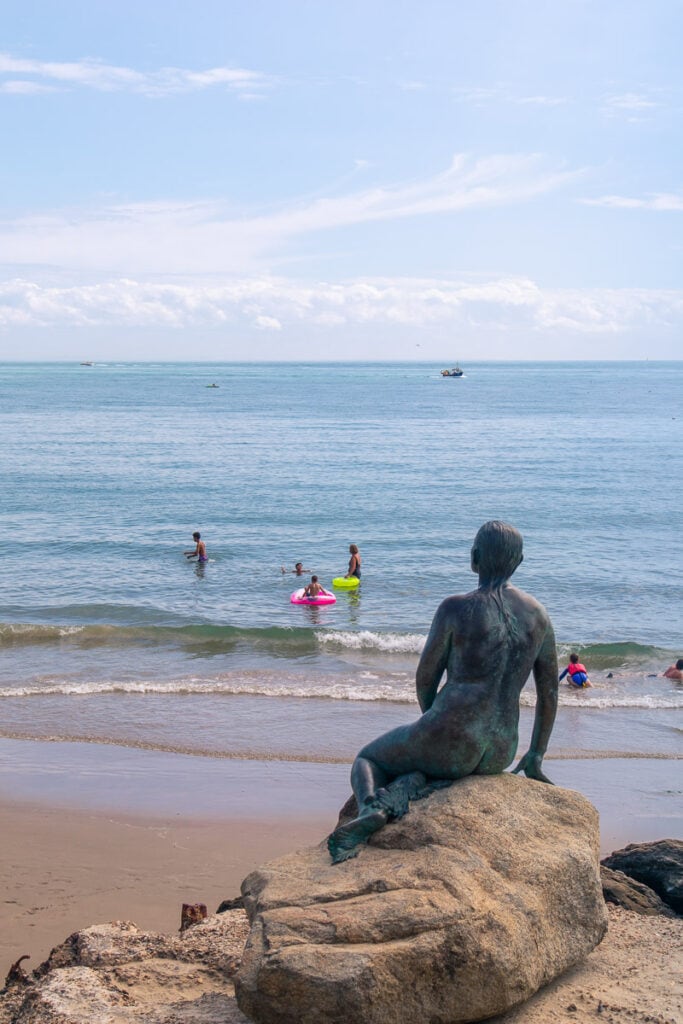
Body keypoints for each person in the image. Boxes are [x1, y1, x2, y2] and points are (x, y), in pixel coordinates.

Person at [327, 520, 559, 864]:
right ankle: (419, 777)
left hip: (450, 736)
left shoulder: (455, 607)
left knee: (369, 758)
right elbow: (550, 692)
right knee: (426, 765)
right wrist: (535, 754)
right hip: (501, 751)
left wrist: (433, 726)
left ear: (474, 558)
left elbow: (425, 679)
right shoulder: (539, 616)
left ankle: (370, 810)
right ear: (520, 561)